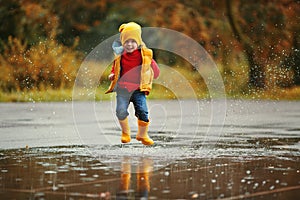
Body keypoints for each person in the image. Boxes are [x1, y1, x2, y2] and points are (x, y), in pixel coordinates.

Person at [105, 22, 160, 146]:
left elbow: (155, 72)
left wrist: (152, 66)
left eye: (133, 41)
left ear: (139, 42)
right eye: (127, 42)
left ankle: (142, 134)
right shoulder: (120, 55)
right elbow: (116, 68)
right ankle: (125, 132)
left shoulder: (145, 55)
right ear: (123, 42)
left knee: (143, 112)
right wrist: (112, 74)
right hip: (123, 89)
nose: (130, 45)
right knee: (120, 110)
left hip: (138, 89)